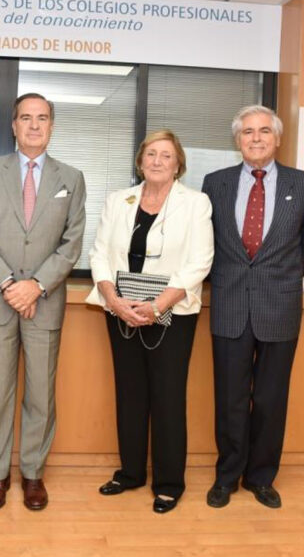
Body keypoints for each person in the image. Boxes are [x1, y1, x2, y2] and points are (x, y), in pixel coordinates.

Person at [0, 93, 87, 511]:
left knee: (40, 393)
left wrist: (36, 285)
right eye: (26, 118)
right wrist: (8, 285)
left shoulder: (71, 177)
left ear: (52, 126)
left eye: (42, 118)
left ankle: (33, 474)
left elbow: (72, 244)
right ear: (13, 126)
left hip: (45, 302)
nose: (34, 126)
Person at [201, 105, 304, 510]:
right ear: (237, 139)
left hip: (279, 306)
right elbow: (207, 245)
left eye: (264, 131)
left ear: (278, 138)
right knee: (231, 399)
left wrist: (279, 280)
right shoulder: (214, 184)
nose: (256, 138)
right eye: (248, 131)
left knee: (271, 399)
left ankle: (261, 476)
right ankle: (227, 476)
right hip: (230, 303)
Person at [86, 130, 213, 514]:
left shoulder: (196, 203)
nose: (157, 161)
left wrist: (158, 306)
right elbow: (99, 254)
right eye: (151, 154)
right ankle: (130, 473)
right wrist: (112, 299)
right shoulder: (118, 201)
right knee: (130, 393)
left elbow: (199, 261)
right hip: (121, 308)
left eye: (166, 156)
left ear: (178, 164)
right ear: (140, 161)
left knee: (168, 396)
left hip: (171, 312)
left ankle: (170, 482)